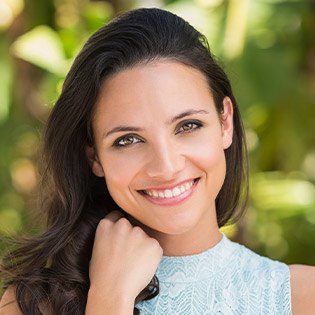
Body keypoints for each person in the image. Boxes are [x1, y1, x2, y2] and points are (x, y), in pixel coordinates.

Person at [0, 7, 314, 315]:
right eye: (128, 140)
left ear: (225, 123)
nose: (166, 166)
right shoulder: (32, 304)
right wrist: (110, 296)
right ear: (95, 157)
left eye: (188, 126)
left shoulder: (302, 298)